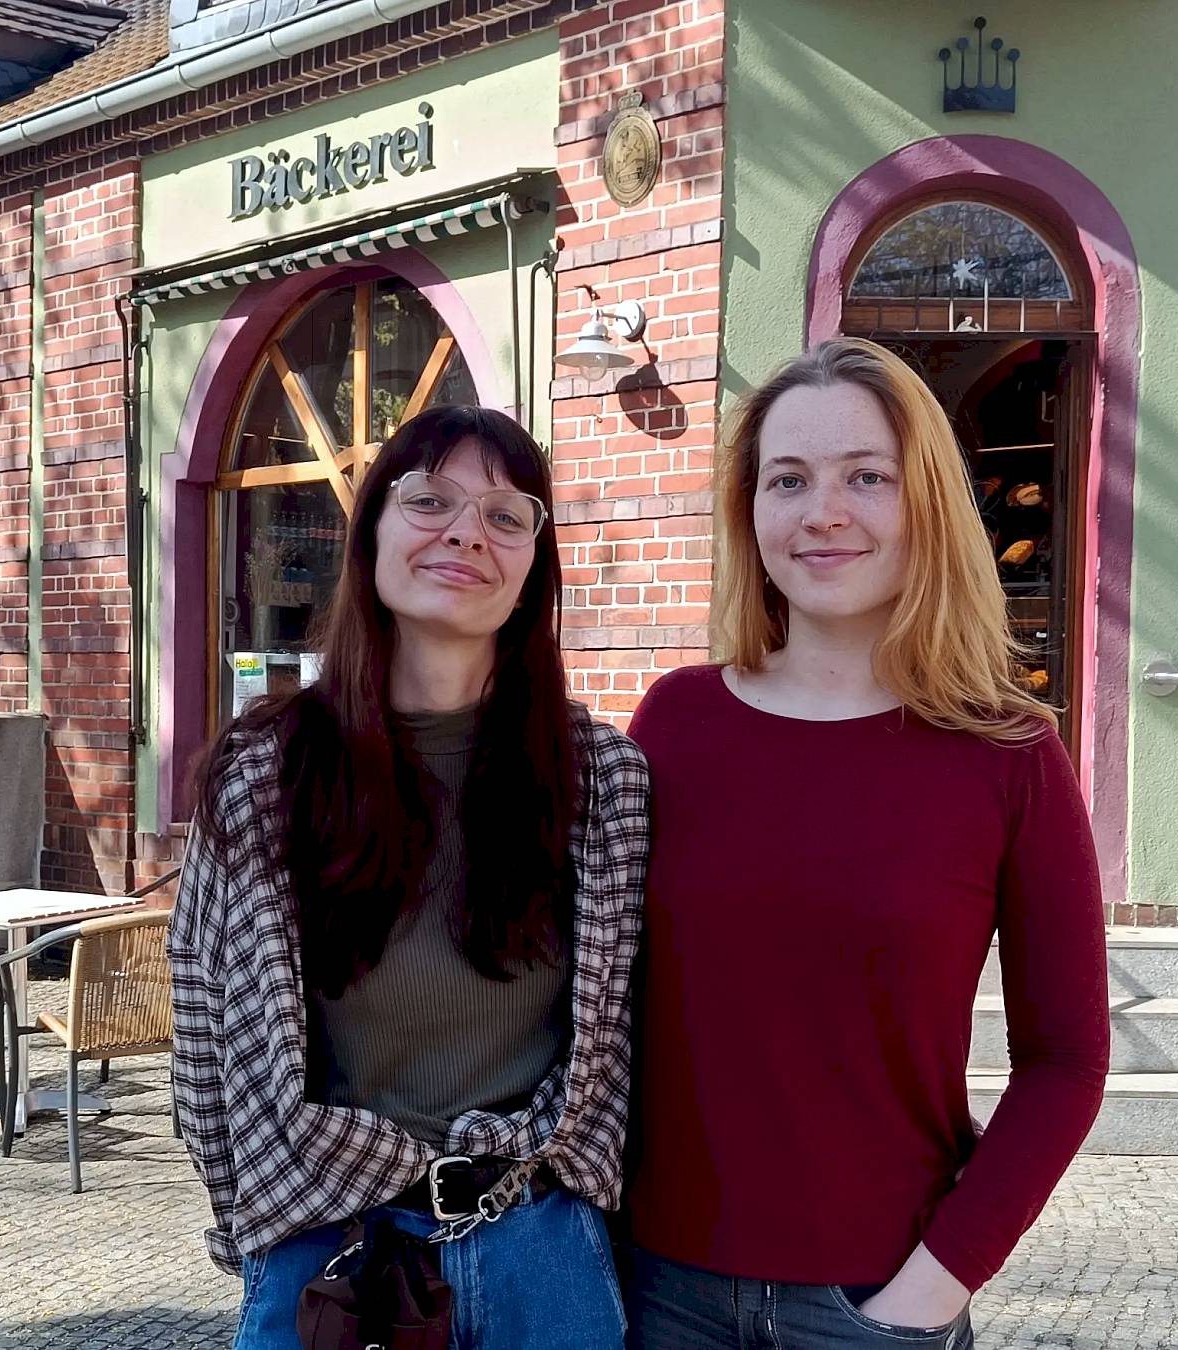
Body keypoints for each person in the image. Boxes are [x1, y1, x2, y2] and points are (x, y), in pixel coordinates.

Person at [622, 338, 1110, 1348]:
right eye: (788, 479)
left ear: (925, 502)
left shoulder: (1009, 755)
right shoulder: (676, 725)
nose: (824, 512)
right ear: (749, 510)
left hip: (876, 1304)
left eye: (867, 477)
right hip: (655, 1296)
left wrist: (929, 1291)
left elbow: (1065, 1060)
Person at [169, 404, 651, 1349]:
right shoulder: (264, 774)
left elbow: (630, 1033)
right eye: (430, 500)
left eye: (506, 515)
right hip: (325, 1245)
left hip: (540, 1249)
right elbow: (202, 1023)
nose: (467, 532)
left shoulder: (604, 781)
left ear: (533, 568)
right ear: (372, 536)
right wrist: (259, 1225)